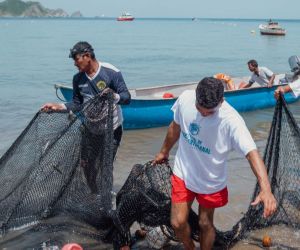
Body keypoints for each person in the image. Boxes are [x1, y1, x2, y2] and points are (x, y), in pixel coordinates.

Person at [153, 77, 277, 250]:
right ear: (195, 97)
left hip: (211, 181)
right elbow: (175, 126)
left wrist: (266, 189)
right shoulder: (185, 99)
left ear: (222, 100)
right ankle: (189, 247)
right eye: (200, 109)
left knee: (205, 222)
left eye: (209, 112)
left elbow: (252, 154)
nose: (203, 114)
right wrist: (163, 152)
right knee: (177, 222)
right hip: (183, 172)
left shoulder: (231, 121)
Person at [41, 41, 131, 159]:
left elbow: (127, 98)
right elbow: (77, 104)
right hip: (90, 129)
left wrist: (113, 96)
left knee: (105, 168)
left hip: (112, 130)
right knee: (86, 166)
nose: (74, 64)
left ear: (87, 56)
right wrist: (59, 106)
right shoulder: (77, 78)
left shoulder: (111, 72)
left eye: (76, 59)